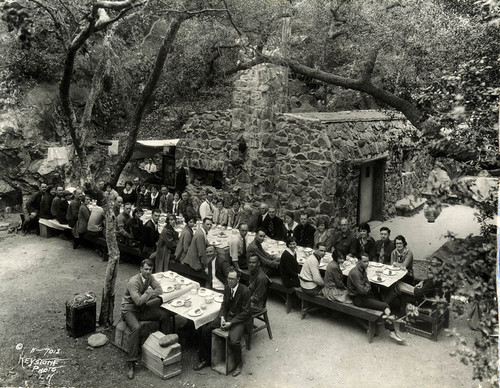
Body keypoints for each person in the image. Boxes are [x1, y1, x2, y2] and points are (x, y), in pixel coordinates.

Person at [194, 268, 251, 377]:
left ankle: (239, 364)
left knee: (234, 341)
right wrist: (222, 317)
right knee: (206, 330)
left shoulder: (245, 291)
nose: (229, 281)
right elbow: (224, 305)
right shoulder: (227, 288)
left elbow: (246, 313)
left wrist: (232, 323)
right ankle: (206, 359)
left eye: (232, 279)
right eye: (228, 278)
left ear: (238, 279)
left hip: (240, 319)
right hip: (228, 317)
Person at [121, 259, 171, 379]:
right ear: (140, 269)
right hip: (129, 310)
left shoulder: (150, 277)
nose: (148, 272)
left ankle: (163, 349)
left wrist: (147, 294)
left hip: (141, 309)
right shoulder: (133, 282)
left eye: (150, 269)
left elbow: (160, 290)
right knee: (136, 328)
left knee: (164, 315)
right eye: (146, 269)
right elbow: (137, 302)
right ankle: (131, 363)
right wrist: (149, 293)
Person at [347, 254, 404, 343]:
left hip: (364, 295)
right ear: (358, 261)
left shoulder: (362, 270)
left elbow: (367, 284)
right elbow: (363, 291)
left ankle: (387, 326)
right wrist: (367, 286)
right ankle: (392, 331)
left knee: (382, 300)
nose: (367, 264)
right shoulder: (355, 273)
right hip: (358, 299)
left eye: (368, 261)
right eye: (364, 261)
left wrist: (366, 286)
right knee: (385, 305)